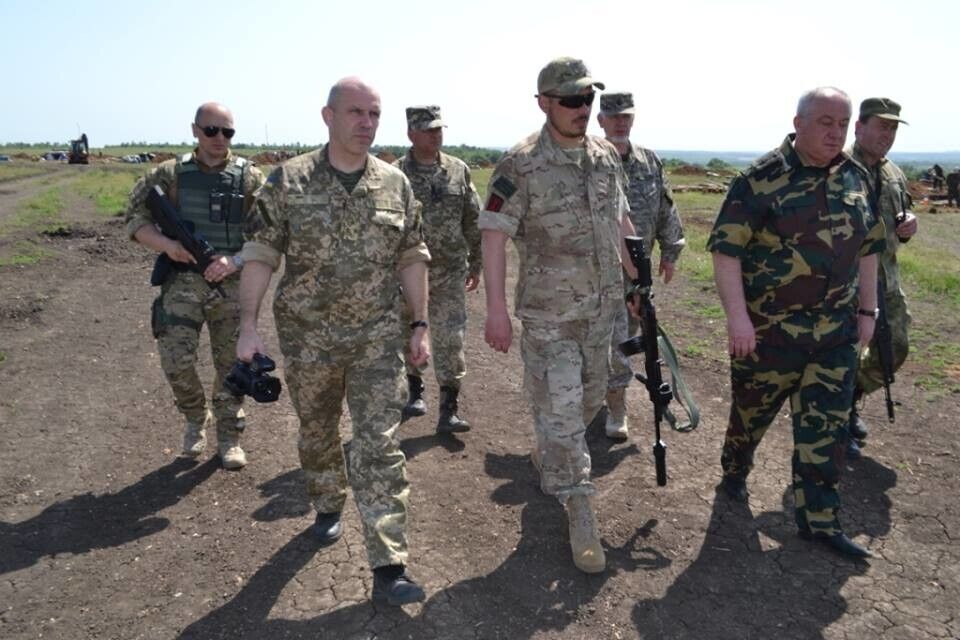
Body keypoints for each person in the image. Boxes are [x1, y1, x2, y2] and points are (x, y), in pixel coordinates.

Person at [235, 77, 431, 606]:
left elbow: (412, 255)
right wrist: (248, 326)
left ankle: (389, 565)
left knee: (379, 444)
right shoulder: (288, 181)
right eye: (355, 113)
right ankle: (326, 500)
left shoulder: (395, 184)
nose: (367, 123)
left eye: (375, 114)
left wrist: (420, 324)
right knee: (318, 429)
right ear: (328, 116)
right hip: (309, 341)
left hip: (376, 340)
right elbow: (260, 255)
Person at [708, 87, 885, 558]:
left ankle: (820, 521)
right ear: (798, 123)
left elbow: (869, 249)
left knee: (827, 430)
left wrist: (868, 311)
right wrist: (738, 320)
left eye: (843, 124)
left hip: (836, 334)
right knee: (750, 418)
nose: (835, 133)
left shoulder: (856, 177)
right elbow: (726, 252)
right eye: (825, 122)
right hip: (770, 335)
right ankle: (735, 469)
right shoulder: (760, 179)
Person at [480, 57, 637, 573]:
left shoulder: (605, 156)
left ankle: (551, 452)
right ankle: (580, 505)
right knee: (566, 413)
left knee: (589, 399)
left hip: (602, 311)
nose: (583, 108)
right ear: (544, 103)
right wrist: (496, 310)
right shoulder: (520, 163)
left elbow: (619, 220)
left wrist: (637, 281)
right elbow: (494, 236)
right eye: (571, 100)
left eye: (588, 98)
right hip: (550, 316)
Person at [125, 102, 265, 470]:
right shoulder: (169, 174)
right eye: (211, 130)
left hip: (230, 287)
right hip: (181, 283)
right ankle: (194, 417)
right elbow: (135, 218)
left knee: (232, 366)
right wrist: (168, 245)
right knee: (176, 362)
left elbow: (270, 233)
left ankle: (229, 436)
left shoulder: (251, 178)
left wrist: (235, 260)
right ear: (195, 130)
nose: (220, 138)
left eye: (228, 132)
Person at [596, 91, 686, 439]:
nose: (621, 122)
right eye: (614, 116)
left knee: (628, 336)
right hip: (596, 271)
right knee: (607, 339)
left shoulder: (649, 161)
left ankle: (610, 398)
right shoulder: (589, 160)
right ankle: (611, 404)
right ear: (601, 120)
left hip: (637, 271)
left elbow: (666, 207)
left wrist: (670, 251)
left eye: (626, 116)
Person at [394, 105, 482, 434]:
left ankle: (449, 408)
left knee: (451, 338)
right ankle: (415, 391)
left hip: (450, 271)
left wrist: (477, 261)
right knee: (408, 332)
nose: (435, 135)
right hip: (408, 273)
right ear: (411, 134)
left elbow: (473, 217)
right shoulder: (395, 174)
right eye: (428, 130)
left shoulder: (458, 170)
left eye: (438, 129)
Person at [845, 98, 919, 460]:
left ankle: (849, 398)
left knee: (894, 349)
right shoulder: (837, 168)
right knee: (841, 355)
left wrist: (909, 226)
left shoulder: (894, 174)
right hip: (844, 286)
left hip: (886, 281)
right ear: (859, 127)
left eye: (892, 129)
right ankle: (836, 418)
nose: (887, 135)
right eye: (881, 126)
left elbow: (902, 217)